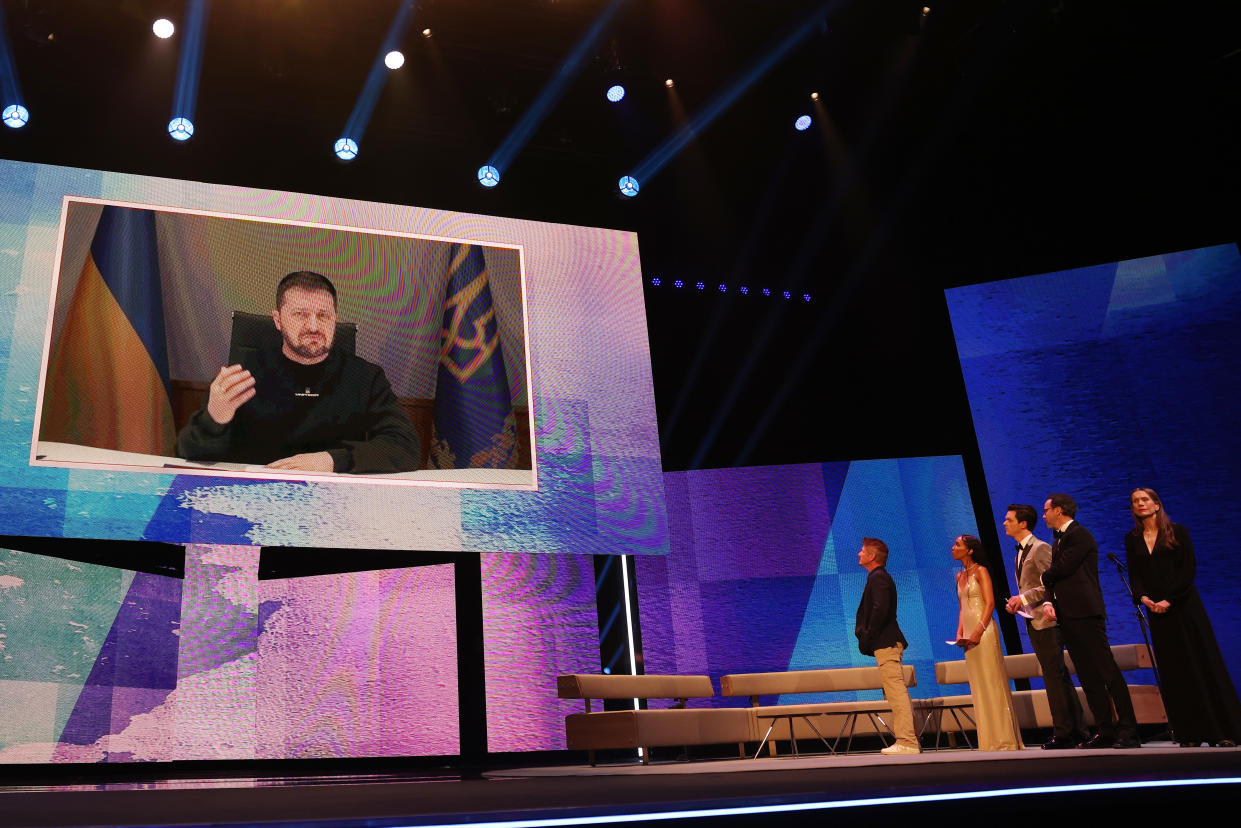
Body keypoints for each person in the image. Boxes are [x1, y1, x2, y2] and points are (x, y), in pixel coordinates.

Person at [177, 271, 420, 474]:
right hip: (256, 498)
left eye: (323, 315)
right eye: (300, 315)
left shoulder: (365, 377)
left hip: (334, 501)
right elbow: (189, 452)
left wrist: (331, 461)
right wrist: (214, 419)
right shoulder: (242, 373)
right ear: (278, 320)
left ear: (335, 319)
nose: (313, 326)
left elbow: (405, 447)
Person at [1125, 488, 1241, 747]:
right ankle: (1190, 733)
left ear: (1157, 505)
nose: (1140, 504)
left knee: (1200, 662)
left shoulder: (1178, 532)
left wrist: (1169, 599)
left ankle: (1223, 730)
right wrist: (1144, 598)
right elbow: (1136, 574)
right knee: (1174, 671)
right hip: (1156, 612)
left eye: (1145, 500)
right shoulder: (1132, 539)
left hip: (1184, 608)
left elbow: (1188, 570)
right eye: (1135, 501)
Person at [1040, 493, 1140, 748]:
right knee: (1087, 675)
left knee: (1106, 670)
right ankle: (1105, 729)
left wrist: (1045, 577)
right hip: (1067, 614)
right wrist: (1049, 599)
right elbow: (1055, 577)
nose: (1044, 515)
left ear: (1059, 511)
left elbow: (1062, 569)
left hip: (1086, 612)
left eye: (1046, 510)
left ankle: (1128, 729)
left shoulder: (1080, 535)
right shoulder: (1058, 539)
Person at [1003, 504, 1087, 748]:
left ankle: (1064, 733)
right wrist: (1018, 603)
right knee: (1056, 677)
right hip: (1034, 620)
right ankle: (1076, 730)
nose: (1004, 523)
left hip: (1048, 620)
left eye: (1009, 520)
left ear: (1023, 524)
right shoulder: (1020, 551)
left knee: (1055, 677)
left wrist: (1024, 598)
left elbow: (1052, 582)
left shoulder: (1040, 548)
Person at [952, 534, 1024, 750]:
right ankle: (988, 740)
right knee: (979, 685)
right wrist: (960, 632)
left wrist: (978, 631)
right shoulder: (960, 576)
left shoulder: (980, 571)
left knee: (992, 682)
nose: (953, 548)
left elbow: (990, 603)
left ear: (970, 550)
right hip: (969, 633)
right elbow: (963, 606)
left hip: (984, 631)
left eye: (958, 545)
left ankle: (1004, 740)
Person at [854, 537, 920, 755]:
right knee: (895, 692)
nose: (859, 554)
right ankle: (906, 740)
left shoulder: (879, 578)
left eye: (862, 551)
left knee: (896, 692)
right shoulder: (876, 577)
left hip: (886, 642)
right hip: (884, 643)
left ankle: (908, 742)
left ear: (872, 556)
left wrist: (869, 635)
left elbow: (880, 610)